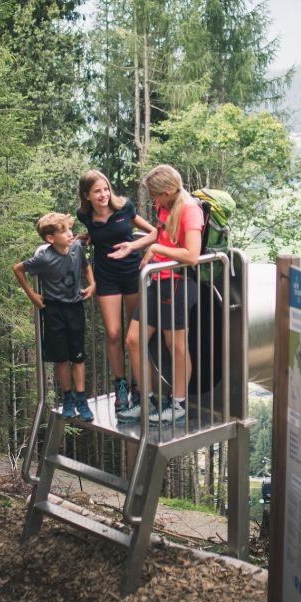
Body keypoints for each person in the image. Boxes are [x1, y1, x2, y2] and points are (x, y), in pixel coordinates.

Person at [109, 165, 204, 425]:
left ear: (169, 190)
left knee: (176, 345)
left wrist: (158, 249)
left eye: (156, 194)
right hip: (157, 280)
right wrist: (134, 245)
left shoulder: (190, 210)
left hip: (178, 282)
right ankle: (147, 399)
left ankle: (179, 404)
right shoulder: (166, 205)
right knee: (133, 340)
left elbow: (192, 255)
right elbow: (159, 233)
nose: (154, 199)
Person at [75, 170, 155, 414]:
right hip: (106, 277)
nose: (103, 194)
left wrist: (135, 246)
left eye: (106, 189)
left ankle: (138, 385)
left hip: (132, 274)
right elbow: (99, 233)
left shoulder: (124, 207)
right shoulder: (84, 215)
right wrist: (89, 236)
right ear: (87, 195)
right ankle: (121, 385)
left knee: (134, 334)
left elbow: (154, 233)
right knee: (113, 334)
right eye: (97, 191)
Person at [13, 212, 96, 421]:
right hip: (53, 310)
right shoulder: (44, 258)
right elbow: (18, 269)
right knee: (61, 357)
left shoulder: (77, 248)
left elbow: (86, 267)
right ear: (50, 238)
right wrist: (32, 295)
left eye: (70, 229)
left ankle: (81, 399)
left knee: (78, 355)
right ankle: (68, 398)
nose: (70, 234)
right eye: (64, 231)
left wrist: (92, 284)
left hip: (75, 307)